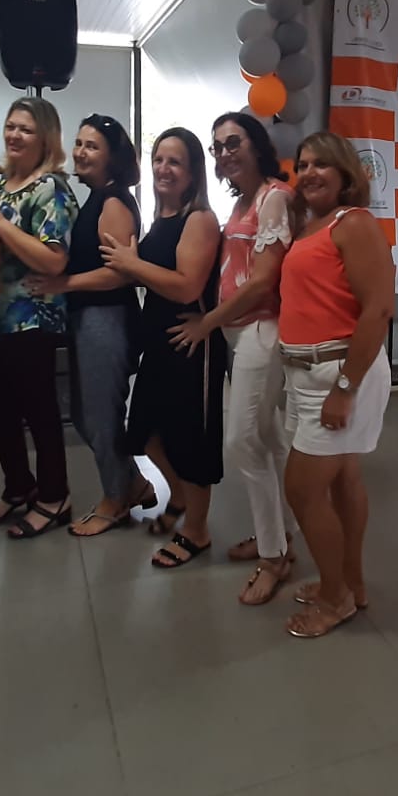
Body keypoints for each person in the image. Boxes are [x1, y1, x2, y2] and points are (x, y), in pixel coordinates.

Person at [171, 113, 296, 605]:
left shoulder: (274, 197)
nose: (225, 154)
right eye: (217, 147)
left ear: (256, 145)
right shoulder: (243, 202)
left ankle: (273, 555)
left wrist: (206, 322)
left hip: (262, 331)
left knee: (243, 441)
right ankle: (281, 537)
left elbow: (264, 281)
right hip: (238, 334)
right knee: (269, 439)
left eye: (233, 142)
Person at [276, 132, 394, 638]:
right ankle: (351, 582)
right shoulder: (311, 226)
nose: (308, 173)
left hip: (339, 372)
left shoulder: (355, 223)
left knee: (302, 490)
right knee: (343, 480)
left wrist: (345, 388)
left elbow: (379, 309)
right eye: (302, 164)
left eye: (321, 164)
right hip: (308, 373)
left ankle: (335, 598)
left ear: (346, 173)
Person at [101, 128, 225, 568]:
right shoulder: (160, 219)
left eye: (175, 162)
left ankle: (197, 530)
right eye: (158, 159)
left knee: (189, 442)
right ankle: (180, 500)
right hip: (158, 343)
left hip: (190, 345)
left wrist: (132, 264)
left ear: (192, 173)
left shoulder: (200, 219)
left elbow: (187, 286)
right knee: (148, 434)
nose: (163, 169)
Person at [27, 115, 155, 536]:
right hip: (89, 317)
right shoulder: (97, 197)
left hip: (107, 318)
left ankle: (115, 501)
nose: (80, 152)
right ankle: (133, 483)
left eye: (92, 146)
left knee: (99, 417)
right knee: (86, 415)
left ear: (112, 156)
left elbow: (120, 273)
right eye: (79, 143)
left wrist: (62, 284)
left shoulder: (114, 202)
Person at [0, 97, 79, 538]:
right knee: (0, 409)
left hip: (32, 316)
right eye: (10, 126)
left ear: (45, 137)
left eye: (26, 129)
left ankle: (54, 496)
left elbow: (54, 260)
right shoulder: (5, 184)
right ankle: (18, 487)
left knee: (38, 409)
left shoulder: (50, 187)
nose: (15, 135)